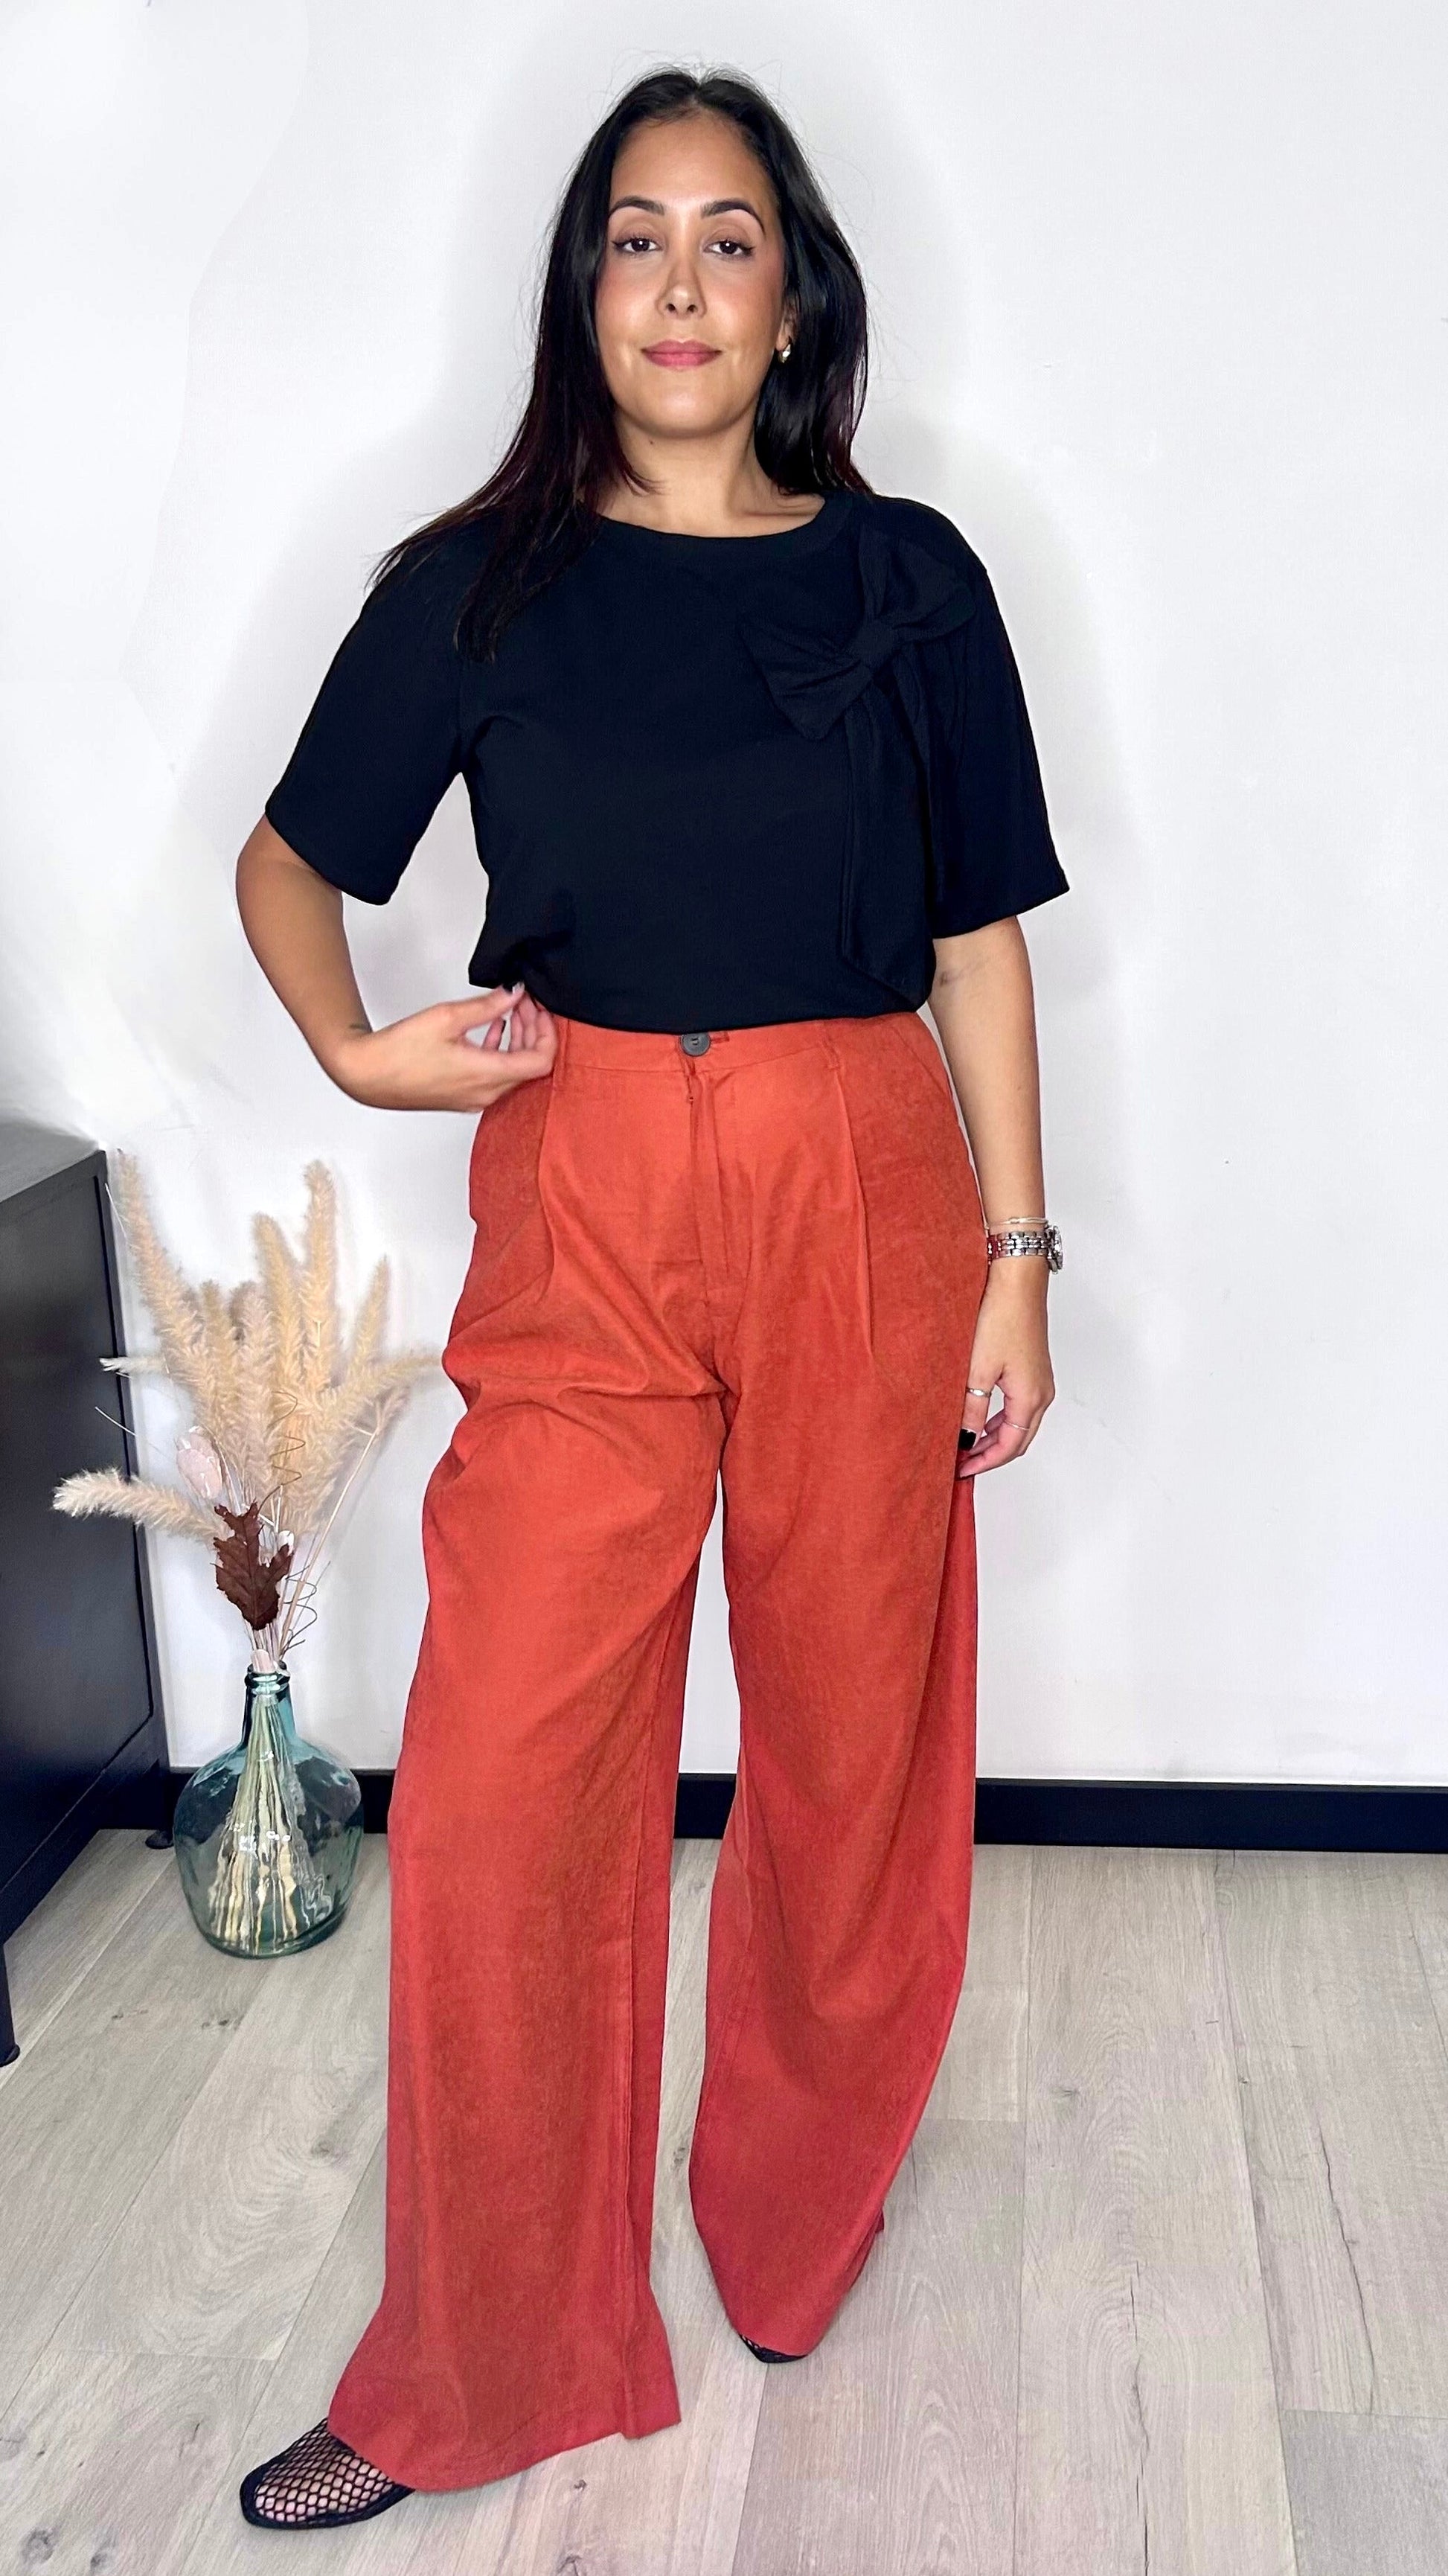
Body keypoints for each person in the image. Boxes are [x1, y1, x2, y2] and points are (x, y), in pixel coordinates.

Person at [232, 63, 1067, 2532]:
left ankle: (792, 2217)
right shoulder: (473, 586)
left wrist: (1017, 1259)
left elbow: (974, 943)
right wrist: (357, 1049)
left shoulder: (909, 578)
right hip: (582, 1185)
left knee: (849, 1741)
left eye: (726, 237)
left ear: (792, 294)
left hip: (859, 1186)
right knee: (502, 1774)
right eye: (633, 235)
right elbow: (287, 865)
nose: (679, 282)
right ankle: (479, 2361)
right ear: (579, 288)